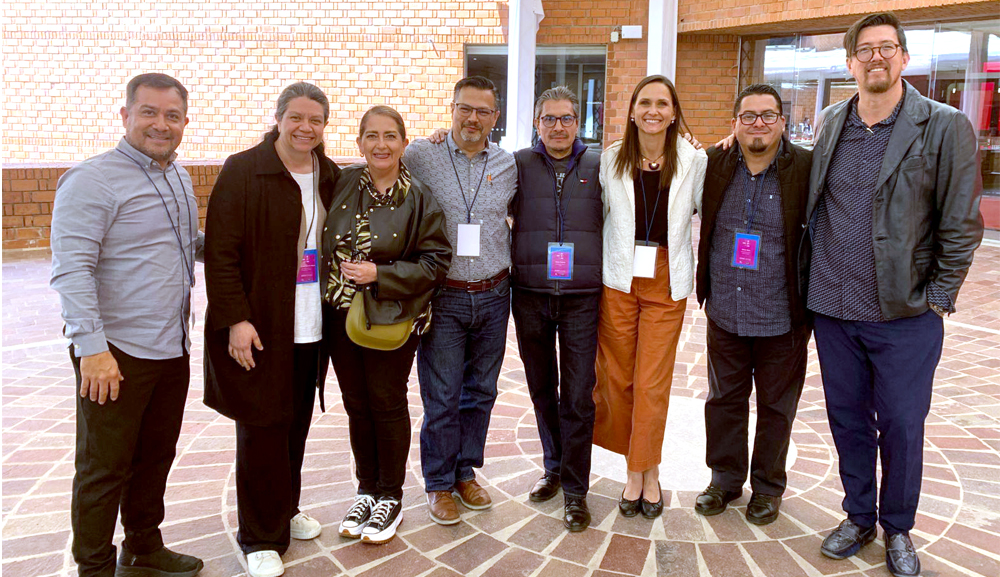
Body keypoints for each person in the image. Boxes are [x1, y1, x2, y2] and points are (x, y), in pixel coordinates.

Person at [805, 13, 983, 577]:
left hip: (905, 312)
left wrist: (939, 296)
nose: (875, 58)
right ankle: (858, 515)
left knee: (903, 423)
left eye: (887, 48)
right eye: (865, 50)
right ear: (850, 61)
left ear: (904, 57)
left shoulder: (944, 125)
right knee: (847, 419)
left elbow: (962, 222)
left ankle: (898, 528)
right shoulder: (832, 120)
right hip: (833, 308)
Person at [50, 73, 204, 577]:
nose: (161, 125)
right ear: (125, 115)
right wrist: (92, 349)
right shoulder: (91, 179)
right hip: (114, 352)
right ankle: (94, 567)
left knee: (156, 455)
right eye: (149, 112)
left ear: (184, 121)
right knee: (103, 468)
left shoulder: (177, 177)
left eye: (172, 115)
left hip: (171, 346)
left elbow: (187, 246)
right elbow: (72, 268)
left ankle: (143, 544)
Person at [203, 82, 341, 577]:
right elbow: (220, 254)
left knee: (295, 425)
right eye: (296, 118)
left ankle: (284, 509)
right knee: (261, 429)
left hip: (311, 326)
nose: (305, 128)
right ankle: (259, 536)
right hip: (260, 326)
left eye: (316, 120)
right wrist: (235, 319)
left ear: (325, 125)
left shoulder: (329, 174)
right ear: (278, 118)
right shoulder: (244, 170)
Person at [323, 106, 451, 544]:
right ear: (359, 142)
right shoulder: (339, 183)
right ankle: (366, 490)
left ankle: (390, 497)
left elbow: (437, 262)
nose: (381, 145)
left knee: (387, 402)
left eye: (390, 136)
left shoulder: (418, 196)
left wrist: (381, 274)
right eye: (372, 136)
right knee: (356, 403)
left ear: (403, 142)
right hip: (340, 315)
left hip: (392, 317)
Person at [694, 83, 812, 526]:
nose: (758, 123)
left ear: (782, 122)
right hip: (725, 309)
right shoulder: (713, 163)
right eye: (749, 116)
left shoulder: (805, 166)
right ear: (734, 124)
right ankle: (724, 480)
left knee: (777, 406)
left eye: (768, 115)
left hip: (783, 315)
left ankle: (766, 488)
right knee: (723, 401)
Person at [403, 76, 518, 525]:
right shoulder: (421, 154)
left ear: (495, 117)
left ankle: (465, 471)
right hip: (445, 296)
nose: (473, 119)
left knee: (481, 392)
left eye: (483, 112)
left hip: (494, 294)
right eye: (465, 109)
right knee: (443, 395)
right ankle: (438, 483)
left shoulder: (509, 164)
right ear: (451, 109)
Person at [593, 74, 707, 520]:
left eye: (662, 103)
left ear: (674, 112)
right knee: (618, 380)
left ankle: (646, 473)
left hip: (665, 280)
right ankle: (633, 466)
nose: (653, 111)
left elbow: (710, 210)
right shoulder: (609, 161)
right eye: (645, 102)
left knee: (652, 382)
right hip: (619, 278)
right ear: (634, 110)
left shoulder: (694, 160)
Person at [511, 86, 603, 531]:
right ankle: (553, 465)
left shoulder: (602, 163)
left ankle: (575, 490)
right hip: (529, 292)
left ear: (578, 122)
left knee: (579, 395)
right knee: (541, 387)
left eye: (567, 118)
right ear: (536, 123)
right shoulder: (518, 165)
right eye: (549, 119)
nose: (559, 127)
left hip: (583, 296)